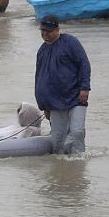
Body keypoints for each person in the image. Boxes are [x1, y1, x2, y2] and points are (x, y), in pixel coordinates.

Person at [34, 16, 90, 155]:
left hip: (76, 98)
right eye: (43, 32)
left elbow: (84, 64)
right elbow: (39, 79)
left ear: (57, 29)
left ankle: (78, 162)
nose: (45, 35)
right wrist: (44, 105)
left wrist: (85, 88)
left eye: (48, 32)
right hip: (54, 102)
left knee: (77, 131)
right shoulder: (42, 51)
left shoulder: (71, 42)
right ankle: (62, 169)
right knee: (58, 140)